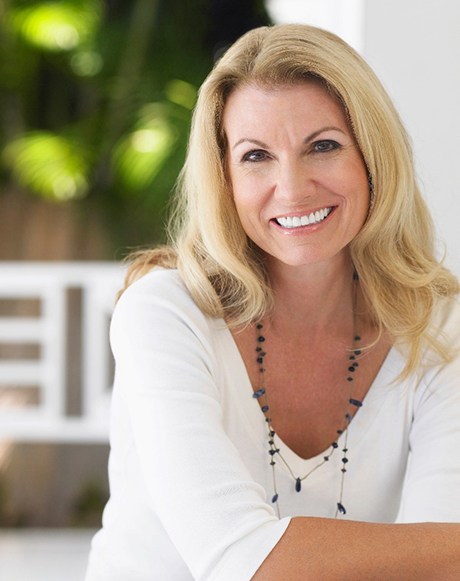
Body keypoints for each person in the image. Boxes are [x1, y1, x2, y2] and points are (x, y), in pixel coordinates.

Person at [85, 23, 460, 580]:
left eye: (324, 146)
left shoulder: (437, 324)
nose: (292, 187)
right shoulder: (163, 314)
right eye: (256, 156)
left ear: (373, 156)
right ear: (225, 178)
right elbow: (241, 562)